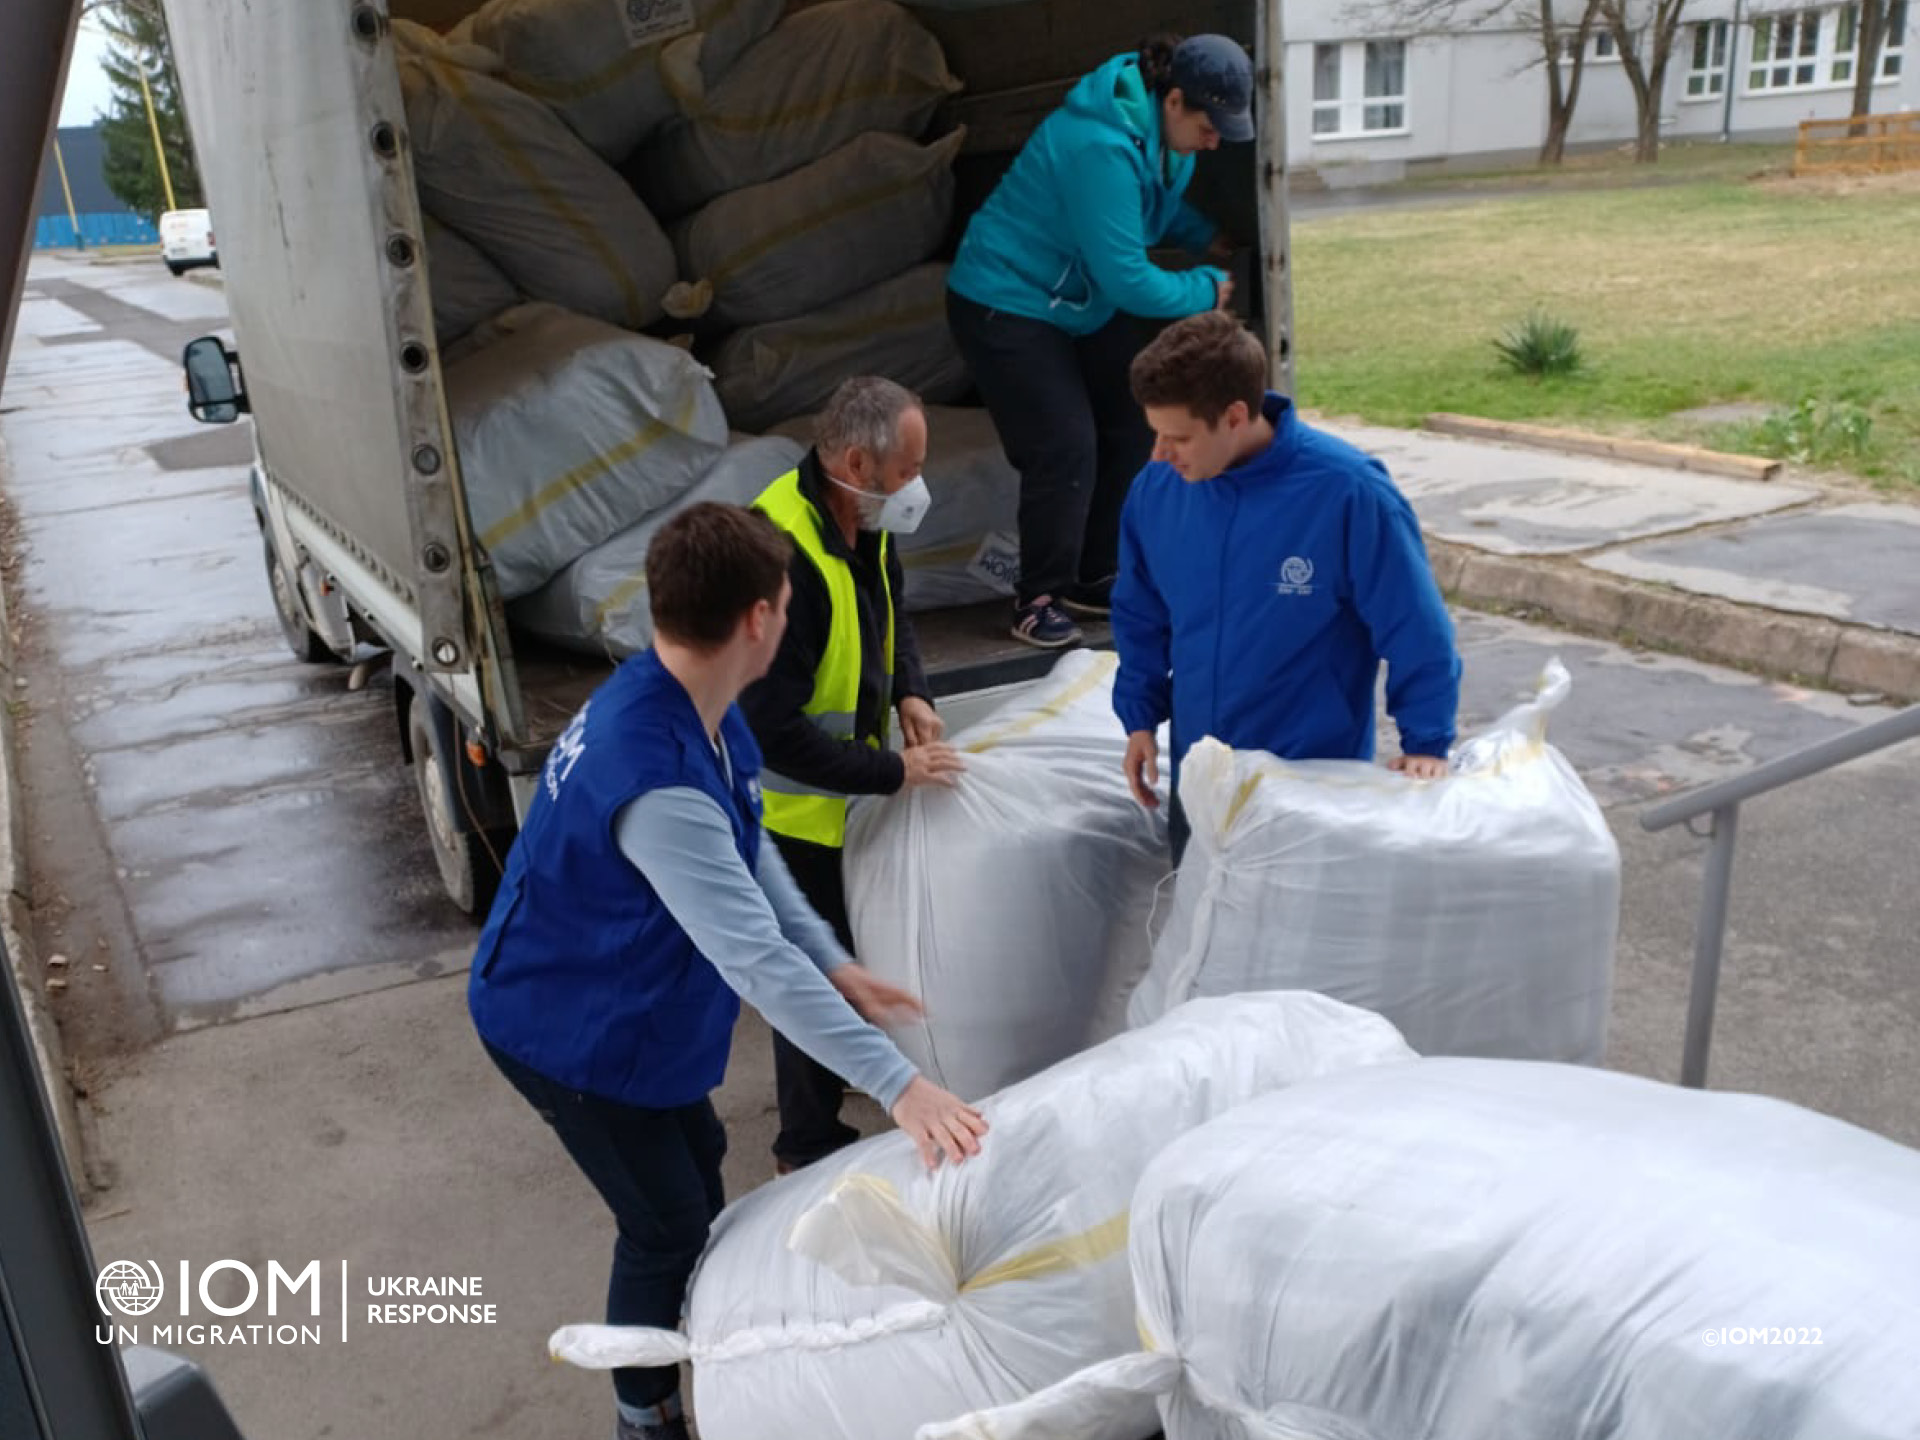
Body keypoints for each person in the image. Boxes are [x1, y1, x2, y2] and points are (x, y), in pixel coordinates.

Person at [468, 503, 987, 1440]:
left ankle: (695, 1338)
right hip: (566, 1029)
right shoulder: (655, 771)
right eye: (787, 603)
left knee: (700, 1170)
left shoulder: (690, 697)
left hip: (624, 997)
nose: (789, 617)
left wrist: (832, 961)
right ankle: (644, 1411)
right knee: (664, 1223)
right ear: (757, 619)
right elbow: (753, 961)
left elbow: (747, 848)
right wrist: (900, 1087)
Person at [1110, 310, 1462, 865]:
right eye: (1154, 434)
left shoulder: (1347, 494)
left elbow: (1415, 626)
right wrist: (1139, 719)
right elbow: (1139, 613)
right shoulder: (1159, 490)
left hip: (1309, 791)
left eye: (1177, 437)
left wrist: (1426, 743)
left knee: (1302, 950)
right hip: (1199, 785)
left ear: (1233, 416)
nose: (1159, 453)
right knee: (1204, 947)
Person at [947, 32, 1255, 650]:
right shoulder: (1099, 147)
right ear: (1172, 100)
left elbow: (1150, 210)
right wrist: (1202, 289)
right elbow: (1130, 280)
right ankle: (1037, 596)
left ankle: (1092, 575)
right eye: (1208, 124)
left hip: (1075, 301)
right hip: (1004, 298)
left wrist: (1201, 235)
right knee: (1065, 443)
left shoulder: (1170, 143)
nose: (1216, 139)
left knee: (1139, 416)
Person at [740, 377, 967, 1174]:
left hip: (851, 800)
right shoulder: (783, 556)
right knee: (812, 978)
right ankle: (806, 1145)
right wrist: (892, 771)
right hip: (795, 816)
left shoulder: (864, 518)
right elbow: (771, 730)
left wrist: (911, 688)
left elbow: (891, 614)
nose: (919, 487)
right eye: (907, 470)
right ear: (856, 461)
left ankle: (852, 1079)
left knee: (855, 960)